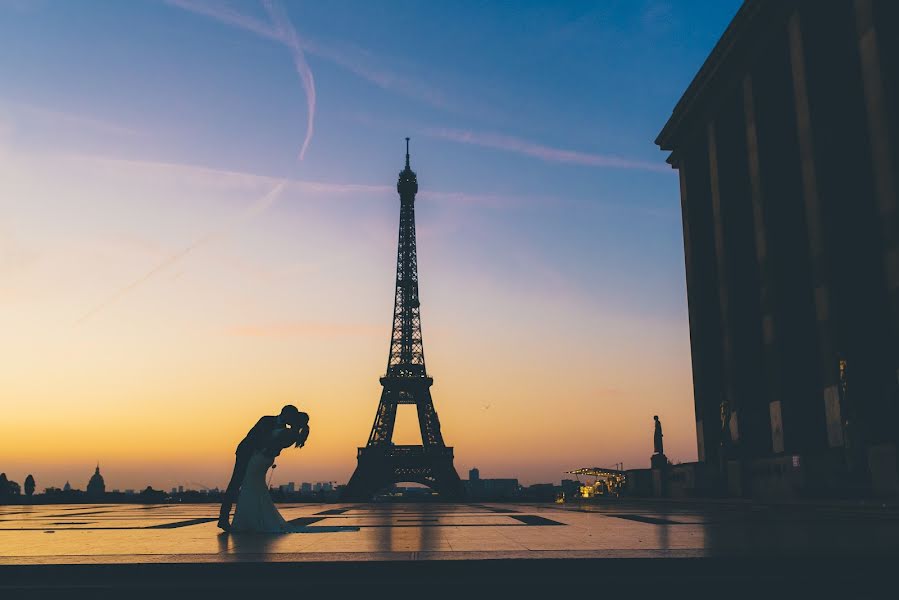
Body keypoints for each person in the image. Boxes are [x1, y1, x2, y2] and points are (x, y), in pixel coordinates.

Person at [218, 405, 309, 532]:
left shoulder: (284, 429)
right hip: (246, 453)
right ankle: (223, 517)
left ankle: (245, 518)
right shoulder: (266, 420)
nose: (291, 420)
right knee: (236, 483)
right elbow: (256, 437)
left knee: (249, 485)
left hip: (259, 458)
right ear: (285, 414)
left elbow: (276, 446)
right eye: (291, 417)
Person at [230, 426, 305, 533]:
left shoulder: (286, 432)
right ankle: (253, 520)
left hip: (261, 457)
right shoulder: (292, 434)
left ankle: (248, 521)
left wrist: (261, 450)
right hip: (265, 459)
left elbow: (272, 444)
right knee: (255, 487)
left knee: (250, 486)